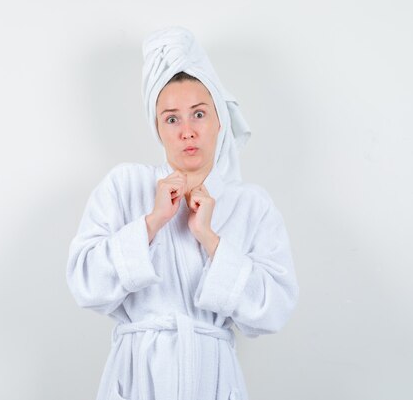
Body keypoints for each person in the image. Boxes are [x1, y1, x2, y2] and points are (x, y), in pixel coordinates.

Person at [66, 26, 299, 400]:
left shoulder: (251, 205)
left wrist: (211, 239)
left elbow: (274, 310)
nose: (187, 131)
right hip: (137, 376)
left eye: (199, 114)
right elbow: (85, 284)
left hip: (213, 380)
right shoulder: (124, 186)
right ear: (158, 128)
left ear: (219, 121)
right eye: (172, 119)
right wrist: (152, 222)